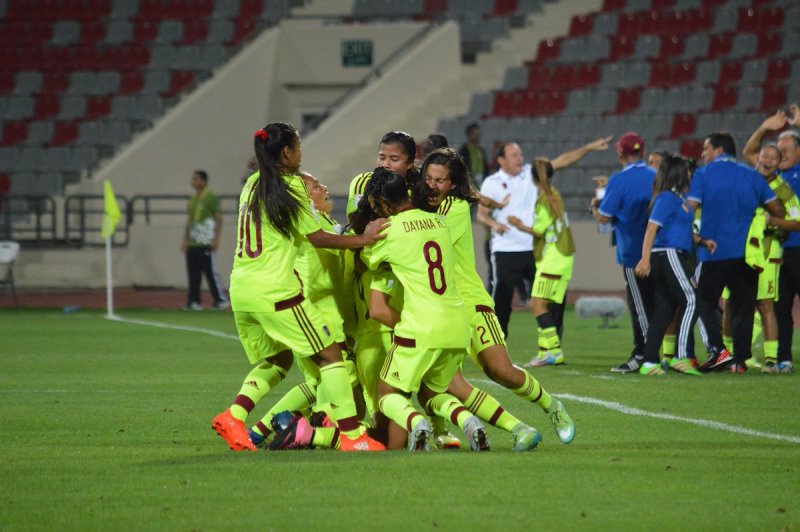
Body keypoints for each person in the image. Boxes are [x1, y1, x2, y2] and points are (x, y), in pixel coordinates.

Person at [212, 122, 385, 452]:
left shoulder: (252, 184)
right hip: (275, 290)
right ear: (287, 153)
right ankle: (352, 437)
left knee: (279, 360)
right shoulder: (290, 186)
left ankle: (234, 416)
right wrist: (364, 238)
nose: (301, 154)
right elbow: (317, 238)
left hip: (241, 287)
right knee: (331, 356)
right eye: (299, 148)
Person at [415, 148, 575, 449]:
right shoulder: (420, 205)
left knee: (500, 370)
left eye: (440, 180)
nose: (433, 185)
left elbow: (428, 239)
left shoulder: (455, 206)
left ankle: (552, 407)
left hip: (470, 301)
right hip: (439, 308)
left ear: (452, 184)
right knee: (444, 380)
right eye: (428, 178)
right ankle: (453, 430)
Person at [360, 168, 489, 452]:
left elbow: (368, 256)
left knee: (386, 394)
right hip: (457, 326)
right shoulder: (439, 222)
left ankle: (417, 422)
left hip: (420, 326)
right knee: (435, 392)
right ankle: (468, 421)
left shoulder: (388, 231)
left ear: (383, 203)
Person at [479, 136, 611, 338]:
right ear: (501, 161)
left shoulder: (532, 174)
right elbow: (481, 215)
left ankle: (554, 339)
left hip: (535, 247)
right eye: (514, 155)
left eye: (520, 154)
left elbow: (564, 160)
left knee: (552, 294)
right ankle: (498, 339)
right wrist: (494, 224)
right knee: (502, 296)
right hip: (505, 248)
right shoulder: (491, 182)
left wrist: (589, 147)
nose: (519, 158)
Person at [687, 132, 784, 373]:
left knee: (703, 300)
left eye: (705, 149)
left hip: (715, 252)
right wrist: (761, 218)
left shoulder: (703, 174)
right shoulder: (752, 175)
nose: (702, 154)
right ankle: (739, 361)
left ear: (719, 150)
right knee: (743, 306)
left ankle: (718, 350)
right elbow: (777, 209)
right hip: (747, 254)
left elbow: (689, 208)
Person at [634, 155, 714, 376]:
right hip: (668, 254)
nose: (690, 173)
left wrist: (701, 240)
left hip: (672, 253)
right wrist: (644, 259)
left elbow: (679, 230)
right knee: (692, 299)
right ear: (679, 174)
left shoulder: (679, 198)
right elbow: (651, 229)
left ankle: (649, 362)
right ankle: (681, 356)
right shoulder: (667, 199)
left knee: (664, 310)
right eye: (687, 170)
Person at [591, 132, 656, 374]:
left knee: (639, 305)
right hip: (659, 250)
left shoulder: (617, 181)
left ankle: (643, 354)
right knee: (659, 304)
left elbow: (606, 217)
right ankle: (667, 353)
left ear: (620, 152)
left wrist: (594, 209)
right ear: (643, 151)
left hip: (633, 253)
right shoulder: (655, 175)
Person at [743, 106, 800, 373]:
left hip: (793, 248)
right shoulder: (764, 176)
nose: (781, 153)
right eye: (778, 149)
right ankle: (780, 358)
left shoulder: (789, 184)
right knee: (777, 306)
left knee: (770, 306)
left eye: (786, 149)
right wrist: (766, 126)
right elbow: (750, 153)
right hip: (774, 250)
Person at [508, 158, 575, 368]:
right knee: (544, 305)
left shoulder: (545, 199)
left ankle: (554, 352)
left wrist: (518, 224)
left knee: (537, 305)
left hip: (554, 258)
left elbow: (538, 231)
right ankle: (544, 351)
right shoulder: (554, 195)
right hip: (562, 256)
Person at [181, 170, 228, 311]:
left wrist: (216, 239)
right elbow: (190, 220)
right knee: (193, 273)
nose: (193, 182)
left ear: (203, 181)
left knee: (210, 272)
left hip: (206, 241)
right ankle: (194, 301)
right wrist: (185, 239)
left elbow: (219, 218)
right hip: (193, 242)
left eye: (195, 179)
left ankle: (220, 300)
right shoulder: (192, 200)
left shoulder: (211, 197)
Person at [458, 122, 489, 187]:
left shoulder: (481, 151)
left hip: (481, 184)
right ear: (469, 135)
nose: (477, 136)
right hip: (469, 184)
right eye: (474, 134)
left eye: (478, 134)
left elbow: (485, 168)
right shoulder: (463, 151)